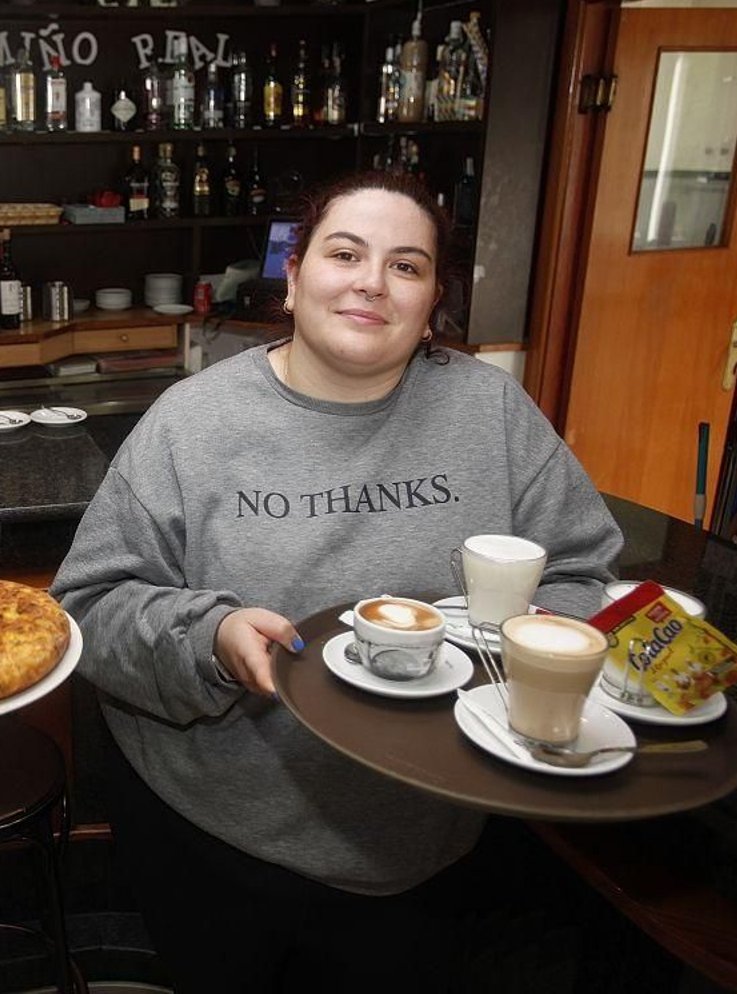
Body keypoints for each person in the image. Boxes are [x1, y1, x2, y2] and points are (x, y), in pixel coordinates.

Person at [50, 170, 622, 992]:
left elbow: (581, 567)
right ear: (293, 278)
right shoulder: (191, 421)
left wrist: (527, 664)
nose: (371, 281)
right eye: (345, 252)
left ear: (433, 303)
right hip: (220, 837)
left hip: (432, 838)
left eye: (407, 265)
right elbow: (90, 607)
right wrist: (210, 637)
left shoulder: (490, 413)